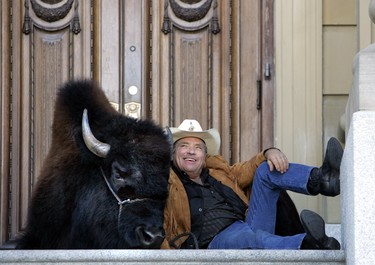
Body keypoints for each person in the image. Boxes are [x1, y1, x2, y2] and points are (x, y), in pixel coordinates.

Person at [161, 119, 343, 250]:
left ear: (205, 155)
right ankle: (309, 244)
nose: (191, 151)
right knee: (251, 236)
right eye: (184, 145)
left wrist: (269, 152)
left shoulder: (218, 172)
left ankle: (323, 180)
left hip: (247, 224)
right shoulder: (166, 181)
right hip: (216, 242)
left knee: (265, 170)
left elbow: (248, 169)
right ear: (173, 153)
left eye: (198, 147)